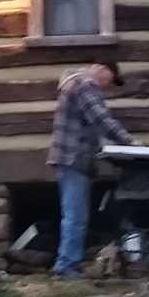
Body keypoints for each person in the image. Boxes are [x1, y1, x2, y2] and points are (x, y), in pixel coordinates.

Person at [47, 60, 138, 277]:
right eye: (110, 80)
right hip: (73, 157)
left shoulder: (74, 84)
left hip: (70, 158)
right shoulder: (84, 84)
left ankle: (67, 264)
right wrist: (130, 142)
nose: (107, 86)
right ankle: (66, 266)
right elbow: (101, 119)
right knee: (75, 216)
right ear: (101, 69)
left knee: (74, 214)